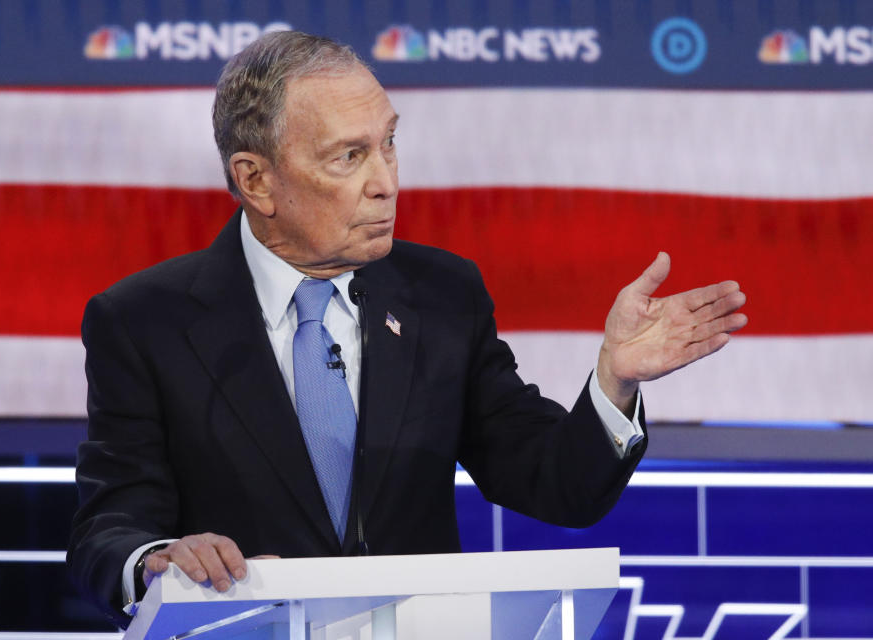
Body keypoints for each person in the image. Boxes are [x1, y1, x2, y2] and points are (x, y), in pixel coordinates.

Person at [67, 31, 747, 627]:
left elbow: (553, 484)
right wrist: (155, 559)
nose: (387, 181)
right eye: (349, 156)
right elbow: (109, 527)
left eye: (389, 143)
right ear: (257, 180)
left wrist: (613, 382)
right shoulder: (143, 322)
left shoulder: (441, 297)